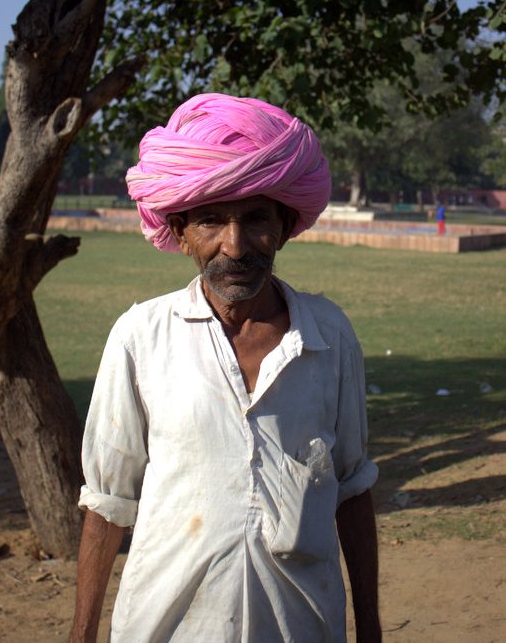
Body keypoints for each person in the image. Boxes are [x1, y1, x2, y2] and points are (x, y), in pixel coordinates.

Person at [70, 93, 381, 643]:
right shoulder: (142, 338)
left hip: (301, 625)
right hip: (166, 627)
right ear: (182, 231)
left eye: (256, 219)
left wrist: (372, 629)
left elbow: (352, 490)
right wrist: (81, 632)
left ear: (284, 226)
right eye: (211, 220)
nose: (234, 246)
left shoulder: (329, 336)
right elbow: (107, 501)